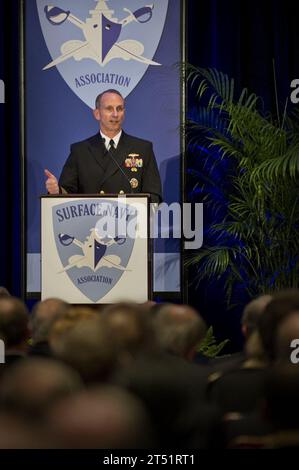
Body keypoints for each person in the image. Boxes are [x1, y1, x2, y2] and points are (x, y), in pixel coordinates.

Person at [45, 89, 162, 203]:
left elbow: (154, 195)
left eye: (119, 109)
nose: (115, 114)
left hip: (130, 220)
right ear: (97, 114)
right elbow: (67, 193)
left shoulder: (143, 148)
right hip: (90, 221)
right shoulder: (80, 151)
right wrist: (57, 191)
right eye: (109, 109)